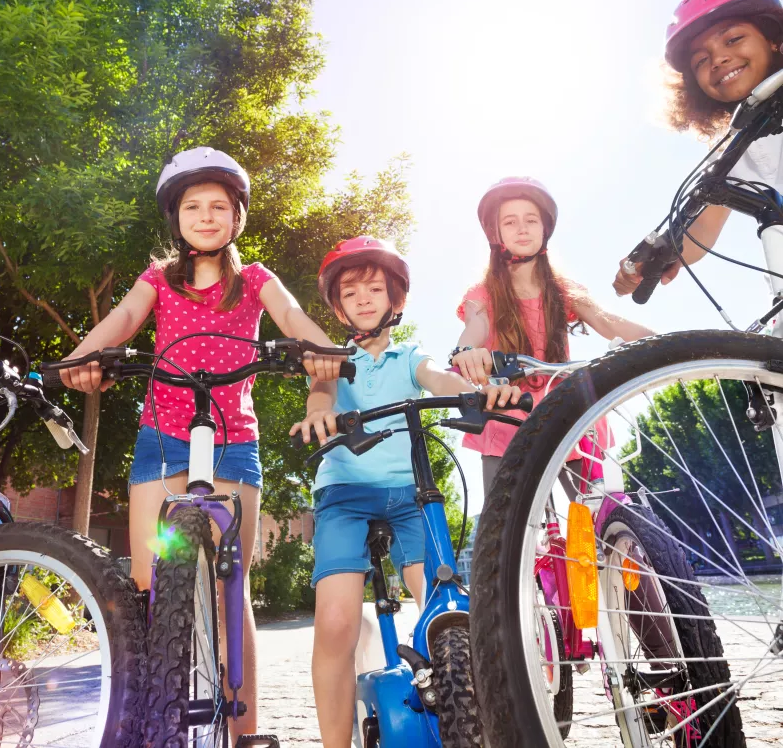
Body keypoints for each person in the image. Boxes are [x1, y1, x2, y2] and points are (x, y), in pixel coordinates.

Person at [59, 144, 343, 739]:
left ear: (237, 216)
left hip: (234, 439)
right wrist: (82, 357)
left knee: (228, 583)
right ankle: (141, 714)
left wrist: (322, 352)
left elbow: (291, 318)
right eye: (194, 206)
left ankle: (246, 731)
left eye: (220, 205)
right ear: (176, 217)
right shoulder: (158, 279)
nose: (207, 216)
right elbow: (123, 319)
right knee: (148, 579)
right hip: (163, 435)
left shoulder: (255, 279)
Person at [289, 236, 521, 748]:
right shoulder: (333, 359)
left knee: (443, 604)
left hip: (410, 494)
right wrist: (317, 416)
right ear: (338, 306)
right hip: (344, 493)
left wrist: (475, 391)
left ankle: (469, 719)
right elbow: (321, 391)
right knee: (334, 621)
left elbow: (437, 378)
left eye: (376, 288)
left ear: (395, 301)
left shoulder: (407, 356)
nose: (365, 298)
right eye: (352, 292)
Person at [450, 177, 654, 499]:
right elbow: (475, 327)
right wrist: (465, 351)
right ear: (495, 233)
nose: (522, 228)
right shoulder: (484, 293)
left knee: (604, 506)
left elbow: (607, 321)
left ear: (545, 229)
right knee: (504, 525)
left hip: (568, 408)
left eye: (531, 220)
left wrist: (664, 343)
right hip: (509, 412)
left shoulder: (562, 290)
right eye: (510, 221)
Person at [614, 0, 783, 295]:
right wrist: (659, 256)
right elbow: (702, 226)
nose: (718, 59)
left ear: (773, 39)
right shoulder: (738, 150)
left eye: (733, 39)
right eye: (701, 60)